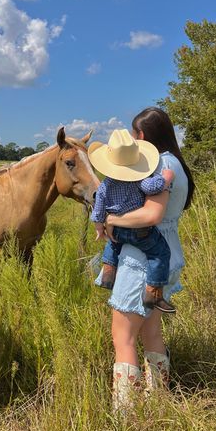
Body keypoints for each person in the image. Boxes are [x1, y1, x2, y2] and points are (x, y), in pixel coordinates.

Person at [88, 107, 195, 413]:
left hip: (142, 260)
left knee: (122, 336)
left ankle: (126, 416)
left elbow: (151, 214)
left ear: (142, 136)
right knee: (151, 332)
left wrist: (110, 218)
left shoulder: (159, 164)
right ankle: (158, 402)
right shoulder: (177, 164)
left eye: (135, 135)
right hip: (169, 255)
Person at [89, 129, 176, 314]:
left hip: (117, 229)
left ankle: (108, 274)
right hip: (137, 228)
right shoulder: (140, 180)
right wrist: (168, 177)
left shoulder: (105, 185)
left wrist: (99, 228)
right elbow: (155, 187)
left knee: (113, 244)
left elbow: (98, 208)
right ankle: (153, 294)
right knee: (160, 253)